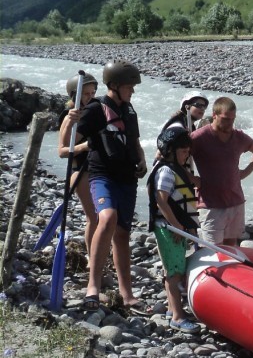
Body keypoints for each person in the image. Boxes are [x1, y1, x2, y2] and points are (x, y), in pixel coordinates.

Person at [74, 60, 148, 312]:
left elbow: (134, 140)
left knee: (123, 235)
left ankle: (126, 293)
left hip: (127, 178)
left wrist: (142, 159)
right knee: (107, 219)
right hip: (101, 174)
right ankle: (92, 286)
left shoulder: (129, 110)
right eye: (129, 86)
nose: (133, 91)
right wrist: (69, 121)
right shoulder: (96, 109)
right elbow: (73, 138)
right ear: (114, 85)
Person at [147, 126, 201, 334]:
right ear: (170, 151)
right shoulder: (166, 171)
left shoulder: (178, 170)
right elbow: (161, 199)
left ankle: (172, 308)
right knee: (174, 271)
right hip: (169, 228)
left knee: (176, 268)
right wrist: (177, 227)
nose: (186, 153)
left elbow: (194, 182)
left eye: (188, 150)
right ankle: (177, 317)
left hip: (177, 228)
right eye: (182, 150)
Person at [191, 96, 253, 246]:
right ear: (214, 115)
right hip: (211, 204)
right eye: (225, 119)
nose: (230, 123)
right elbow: (176, 159)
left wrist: (245, 172)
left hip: (235, 201)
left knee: (231, 249)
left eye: (232, 119)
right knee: (213, 251)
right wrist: (194, 180)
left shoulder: (239, 137)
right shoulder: (199, 137)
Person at [58, 72, 99, 256]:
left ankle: (100, 255)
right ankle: (92, 258)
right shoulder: (69, 117)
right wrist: (84, 146)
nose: (90, 97)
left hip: (98, 170)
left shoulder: (94, 113)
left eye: (93, 93)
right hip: (80, 171)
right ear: (75, 95)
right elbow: (62, 151)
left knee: (105, 218)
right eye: (86, 94)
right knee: (94, 218)